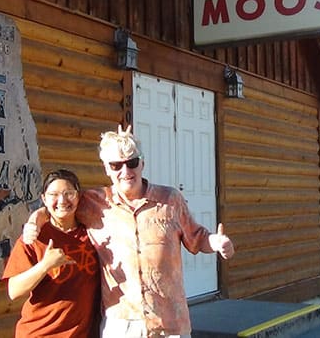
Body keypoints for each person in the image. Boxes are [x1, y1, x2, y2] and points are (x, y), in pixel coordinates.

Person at [23, 125, 234, 338]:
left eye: (132, 163)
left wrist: (216, 243)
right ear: (106, 168)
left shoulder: (170, 199)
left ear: (142, 163)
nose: (125, 172)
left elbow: (198, 238)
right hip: (121, 324)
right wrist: (34, 221)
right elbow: (59, 204)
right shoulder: (94, 203)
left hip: (170, 322)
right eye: (116, 165)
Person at [3, 169, 101, 337]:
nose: (62, 200)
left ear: (78, 196)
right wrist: (45, 265)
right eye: (53, 194)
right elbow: (14, 291)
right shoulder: (35, 238)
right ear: (44, 199)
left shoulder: (93, 233)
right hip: (40, 333)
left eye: (69, 193)